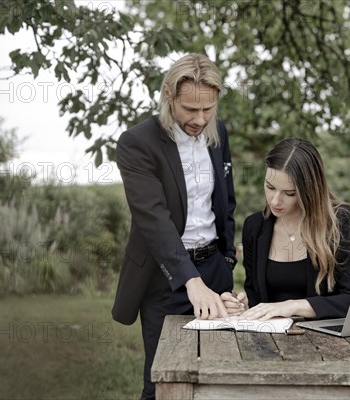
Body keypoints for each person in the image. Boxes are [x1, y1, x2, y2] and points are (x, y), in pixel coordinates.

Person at [111, 53, 237, 400]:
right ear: (168, 95)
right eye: (190, 110)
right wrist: (190, 281)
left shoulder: (218, 132)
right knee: (163, 382)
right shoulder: (137, 143)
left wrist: (226, 261)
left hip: (215, 270)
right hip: (165, 280)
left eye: (208, 109)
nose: (200, 119)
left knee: (218, 376)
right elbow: (154, 220)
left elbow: (226, 200)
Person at [221, 138, 350, 320]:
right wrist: (243, 306)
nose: (275, 200)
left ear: (309, 191)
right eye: (270, 187)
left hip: (324, 341)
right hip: (270, 341)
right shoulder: (254, 227)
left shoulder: (339, 221)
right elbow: (258, 300)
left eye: (289, 193)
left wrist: (293, 306)